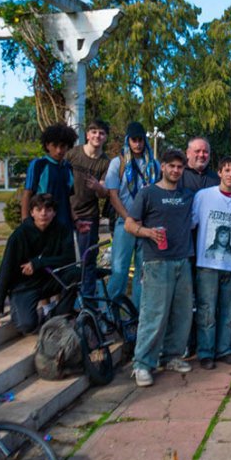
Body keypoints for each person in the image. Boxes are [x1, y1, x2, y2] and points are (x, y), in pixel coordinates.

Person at [124, 149, 194, 387]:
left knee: (181, 313)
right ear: (162, 167)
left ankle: (172, 356)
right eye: (171, 166)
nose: (175, 170)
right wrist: (147, 233)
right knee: (154, 314)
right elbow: (129, 224)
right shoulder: (148, 193)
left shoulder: (187, 194)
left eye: (179, 167)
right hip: (156, 261)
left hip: (183, 259)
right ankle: (142, 364)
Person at [192, 156, 231, 370]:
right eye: (226, 170)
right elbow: (191, 223)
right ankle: (206, 352)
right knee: (207, 311)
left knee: (229, 311)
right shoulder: (203, 196)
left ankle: (225, 349)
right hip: (208, 264)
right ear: (219, 172)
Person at [0, 194, 75, 334]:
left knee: (76, 274)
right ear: (32, 212)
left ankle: (57, 316)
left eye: (48, 209)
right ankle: (21, 308)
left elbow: (69, 258)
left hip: (48, 281)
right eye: (39, 209)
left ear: (54, 213)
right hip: (24, 286)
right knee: (26, 326)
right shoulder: (19, 235)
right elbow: (6, 270)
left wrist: (38, 263)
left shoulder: (62, 230)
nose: (43, 213)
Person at [106, 121, 160, 310]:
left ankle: (137, 314)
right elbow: (112, 195)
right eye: (133, 140)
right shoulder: (117, 163)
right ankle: (111, 313)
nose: (137, 144)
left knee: (142, 272)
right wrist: (129, 217)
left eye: (140, 140)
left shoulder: (154, 165)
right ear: (128, 140)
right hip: (125, 222)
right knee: (119, 270)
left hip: (146, 224)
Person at [66, 120, 110, 301]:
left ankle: (88, 299)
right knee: (65, 259)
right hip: (66, 211)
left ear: (105, 137)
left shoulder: (105, 162)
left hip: (88, 215)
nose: (97, 136)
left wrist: (97, 187)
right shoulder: (73, 154)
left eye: (101, 133)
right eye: (94, 132)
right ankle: (65, 299)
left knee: (88, 258)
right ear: (87, 135)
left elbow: (104, 193)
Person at [21, 123, 78, 230]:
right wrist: (26, 222)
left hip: (65, 226)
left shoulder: (68, 167)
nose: (59, 150)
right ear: (47, 145)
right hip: (43, 224)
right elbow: (27, 193)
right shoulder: (38, 165)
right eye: (55, 146)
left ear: (68, 146)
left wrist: (76, 220)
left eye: (62, 146)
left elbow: (67, 199)